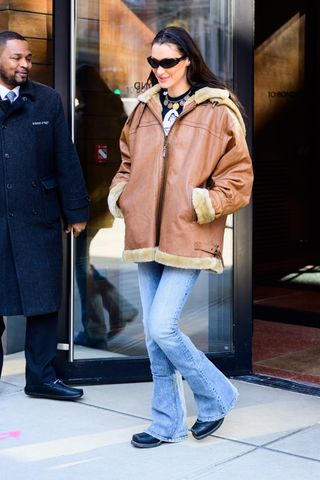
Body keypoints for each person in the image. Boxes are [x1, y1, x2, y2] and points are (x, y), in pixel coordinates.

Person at [108, 26, 253, 448]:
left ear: (188, 59)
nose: (159, 70)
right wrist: (123, 196)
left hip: (187, 234)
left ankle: (218, 394)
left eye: (168, 62)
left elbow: (239, 178)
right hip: (146, 234)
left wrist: (203, 203)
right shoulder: (144, 109)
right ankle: (167, 423)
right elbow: (126, 162)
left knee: (163, 327)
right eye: (153, 63)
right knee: (155, 338)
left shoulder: (218, 111)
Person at [0, 31, 89, 400]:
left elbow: (64, 158)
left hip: (39, 215)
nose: (24, 65)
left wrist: (77, 209)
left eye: (29, 58)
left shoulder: (47, 100)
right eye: (16, 58)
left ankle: (40, 376)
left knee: (43, 301)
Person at [74, 65, 138, 350]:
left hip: (85, 204)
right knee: (81, 264)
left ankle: (97, 328)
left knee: (79, 266)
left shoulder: (85, 119)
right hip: (103, 202)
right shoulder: (117, 115)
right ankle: (118, 308)